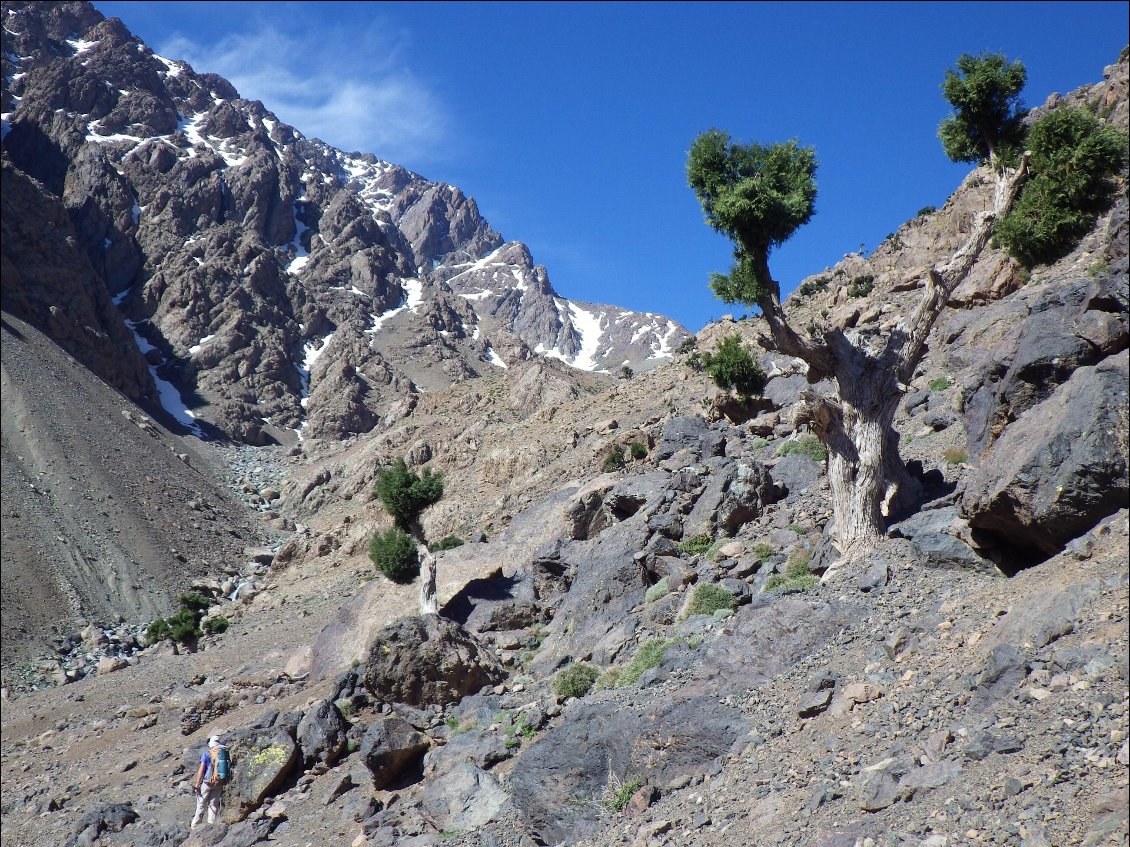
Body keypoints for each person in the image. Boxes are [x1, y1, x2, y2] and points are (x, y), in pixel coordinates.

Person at [190, 735, 227, 828]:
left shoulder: (207, 754)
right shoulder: (223, 753)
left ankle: (194, 827)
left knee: (201, 805)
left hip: (207, 782)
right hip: (219, 782)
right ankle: (211, 826)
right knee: (213, 805)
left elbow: (201, 770)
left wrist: (197, 784)